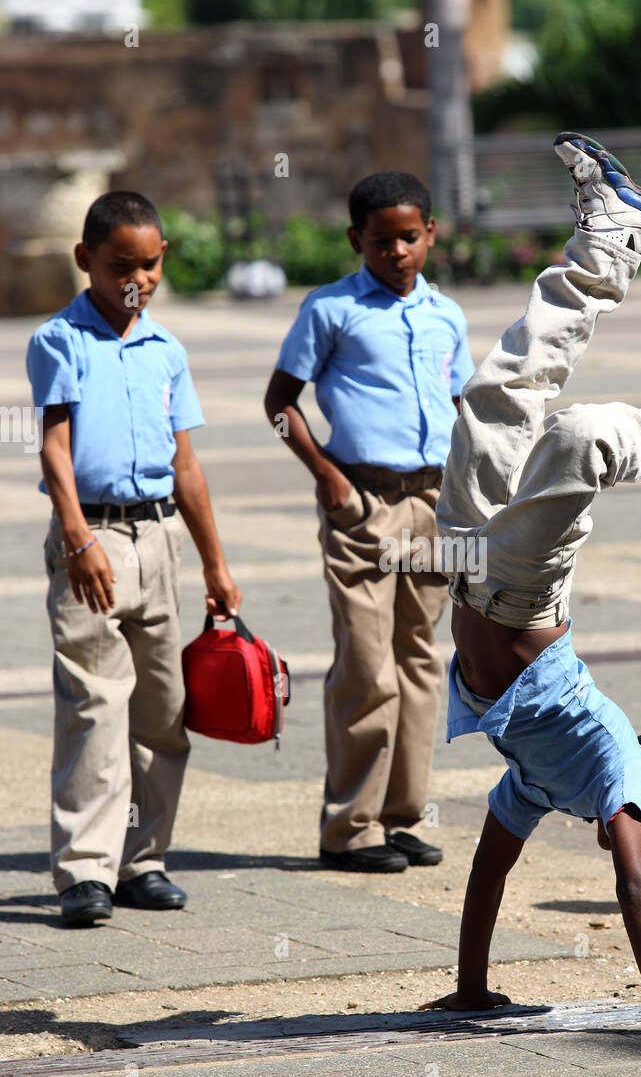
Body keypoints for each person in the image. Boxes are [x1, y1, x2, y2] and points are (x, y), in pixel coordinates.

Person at [423, 133, 641, 1043]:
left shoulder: (545, 780)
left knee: (505, 385)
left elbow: (489, 868)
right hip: (523, 596)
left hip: (466, 564)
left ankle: (617, 231)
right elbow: (637, 882)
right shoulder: (619, 768)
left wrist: (473, 986)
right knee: (575, 440)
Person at [27, 191, 241, 927]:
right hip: (92, 540)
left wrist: (215, 564)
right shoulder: (60, 340)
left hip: (158, 541)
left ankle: (141, 859)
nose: (137, 279)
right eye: (122, 264)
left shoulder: (166, 351)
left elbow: (186, 466)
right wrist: (79, 537)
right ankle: (84, 871)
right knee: (93, 704)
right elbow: (54, 449)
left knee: (163, 709)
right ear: (85, 259)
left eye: (150, 264)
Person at [264, 172, 475, 873]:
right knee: (365, 667)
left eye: (409, 238)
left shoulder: (447, 314)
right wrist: (328, 479)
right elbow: (279, 404)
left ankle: (401, 817)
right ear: (356, 240)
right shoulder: (330, 311)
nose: (397, 252)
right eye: (381, 241)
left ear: (431, 234)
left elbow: (463, 406)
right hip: (363, 506)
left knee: (419, 660)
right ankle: (348, 828)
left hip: (434, 505)